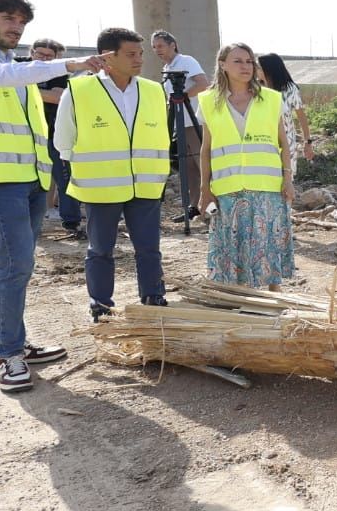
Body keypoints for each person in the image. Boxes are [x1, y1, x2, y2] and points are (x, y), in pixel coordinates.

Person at [0, 0, 105, 394]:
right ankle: (8, 353)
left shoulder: (12, 66)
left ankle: (12, 343)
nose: (17, 27)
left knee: (10, 262)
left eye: (22, 21)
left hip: (28, 177)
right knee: (16, 263)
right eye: (8, 18)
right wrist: (70, 63)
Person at [54, 27, 170, 322]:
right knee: (100, 250)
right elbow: (63, 140)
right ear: (107, 56)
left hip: (145, 183)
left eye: (140, 53)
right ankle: (101, 305)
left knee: (149, 248)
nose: (139, 59)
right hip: (100, 187)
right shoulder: (79, 90)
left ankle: (153, 298)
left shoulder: (154, 90)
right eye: (131, 54)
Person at [197, 43, 294, 291]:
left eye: (249, 61)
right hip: (227, 187)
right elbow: (206, 149)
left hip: (267, 186)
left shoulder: (271, 99)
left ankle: (274, 297)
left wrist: (288, 179)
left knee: (268, 240)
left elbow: (284, 142)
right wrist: (204, 189)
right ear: (222, 65)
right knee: (232, 244)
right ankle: (240, 295)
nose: (246, 66)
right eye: (238, 61)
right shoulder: (208, 101)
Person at [149, 29, 210, 221]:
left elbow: (203, 83)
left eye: (160, 46)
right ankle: (194, 206)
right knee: (188, 167)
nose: (157, 50)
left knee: (202, 163)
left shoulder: (186, 61)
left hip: (193, 120)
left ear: (172, 45)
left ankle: (213, 205)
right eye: (154, 47)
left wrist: (183, 97)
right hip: (179, 122)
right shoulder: (168, 67)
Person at [30, 37, 83, 233]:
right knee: (30, 180)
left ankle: (71, 221)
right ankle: (33, 220)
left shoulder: (59, 74)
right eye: (40, 54)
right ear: (31, 53)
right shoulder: (17, 67)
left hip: (52, 133)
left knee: (63, 177)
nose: (44, 59)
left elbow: (57, 97)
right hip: (24, 135)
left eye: (49, 56)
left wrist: (23, 88)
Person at [256, 53, 315, 177]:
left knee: (286, 180)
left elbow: (301, 117)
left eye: (258, 67)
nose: (255, 69)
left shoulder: (290, 89)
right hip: (261, 142)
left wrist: (307, 143)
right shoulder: (255, 89)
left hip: (286, 144)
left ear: (269, 69)